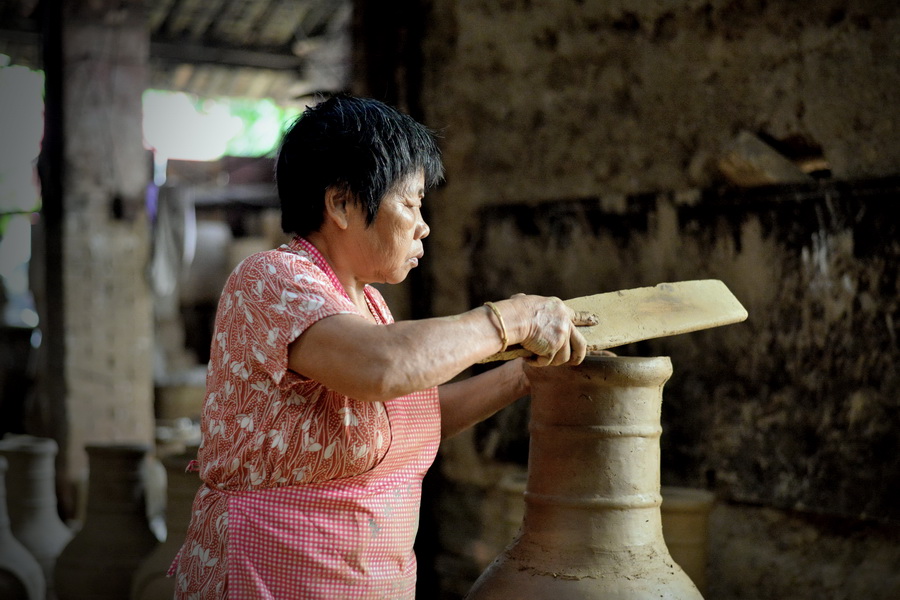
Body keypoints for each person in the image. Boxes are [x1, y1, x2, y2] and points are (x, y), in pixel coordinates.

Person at [170, 93, 596, 599]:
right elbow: (384, 365)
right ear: (341, 203)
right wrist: (515, 318)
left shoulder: (367, 305)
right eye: (410, 203)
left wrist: (523, 375)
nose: (423, 225)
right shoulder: (272, 280)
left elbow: (410, 417)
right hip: (268, 579)